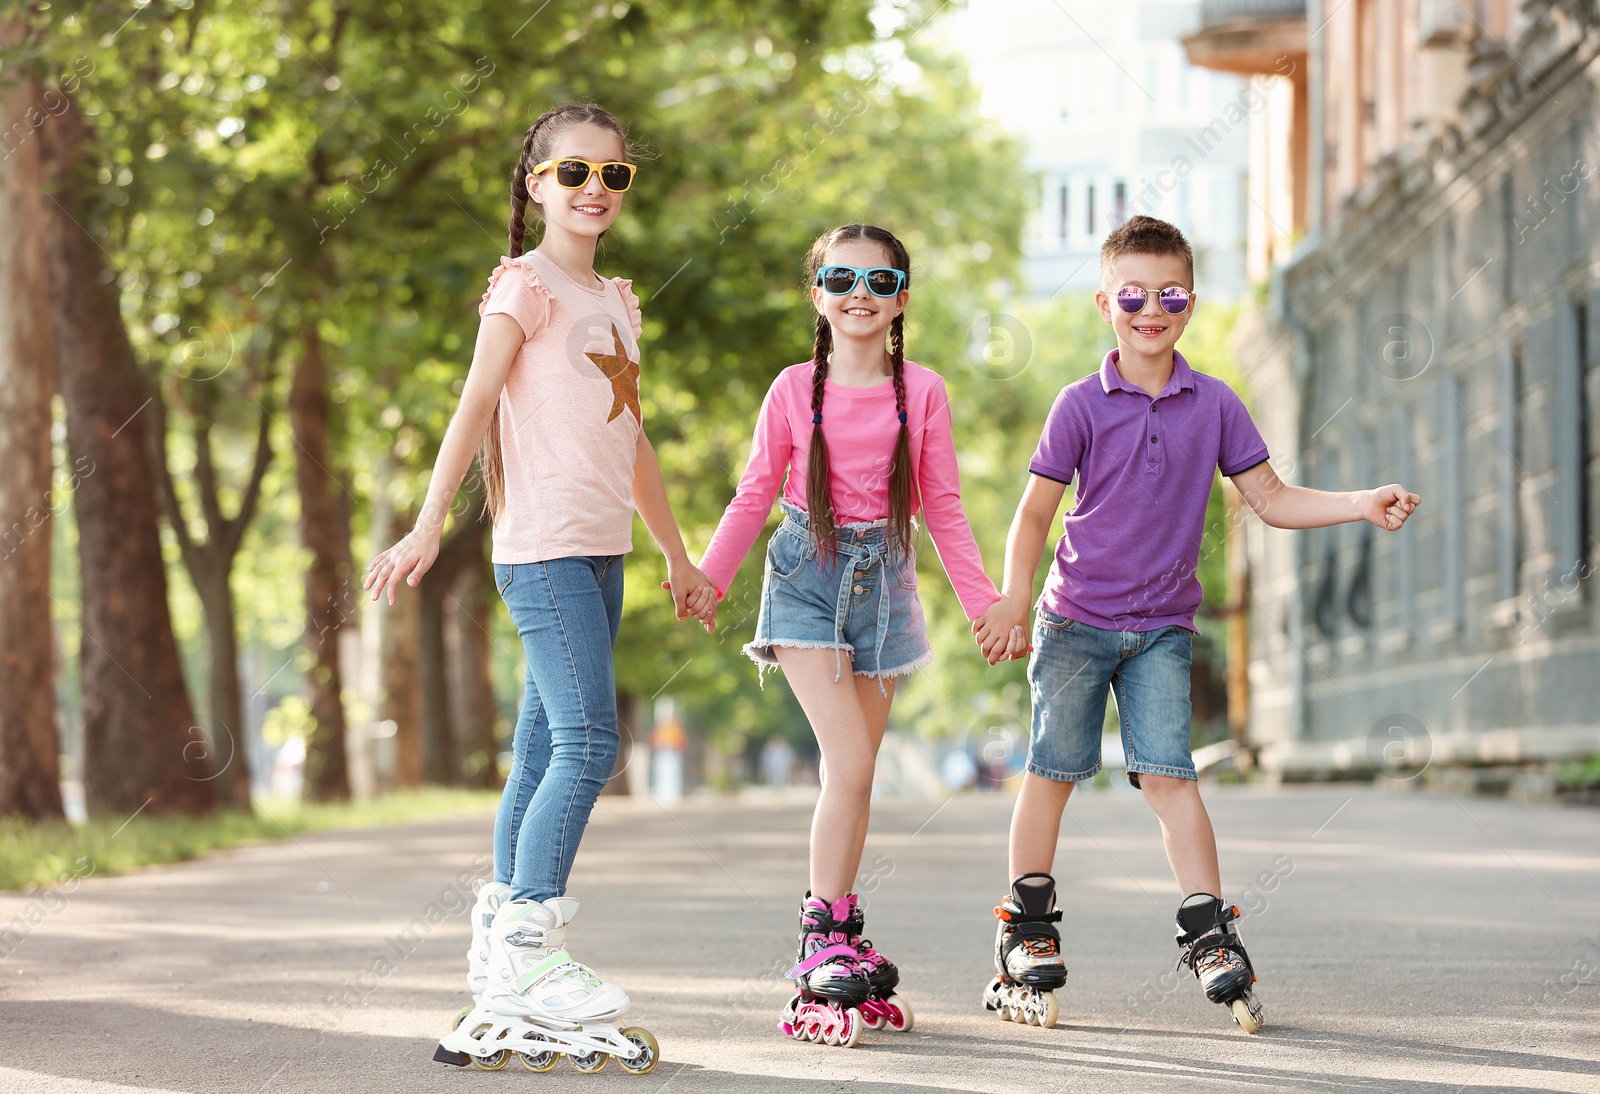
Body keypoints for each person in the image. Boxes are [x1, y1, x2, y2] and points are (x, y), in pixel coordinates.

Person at [975, 215, 1420, 1034]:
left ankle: (1209, 932)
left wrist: (1361, 502)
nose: (1153, 309)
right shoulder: (1079, 403)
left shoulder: (1214, 403)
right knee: (1054, 769)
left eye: (1170, 294)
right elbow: (1035, 513)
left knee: (1171, 776)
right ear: (1106, 301)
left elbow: (1273, 499)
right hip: (1074, 621)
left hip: (1162, 630)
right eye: (1135, 295)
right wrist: (1011, 595)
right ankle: (1027, 930)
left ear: (1190, 301)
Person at [362, 102, 714, 1074]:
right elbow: (475, 402)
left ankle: (496, 942)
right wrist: (430, 519)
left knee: (539, 743)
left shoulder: (617, 298)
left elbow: (631, 435)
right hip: (542, 546)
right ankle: (529, 944)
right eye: (573, 173)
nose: (594, 189)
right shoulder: (524, 286)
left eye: (612, 174)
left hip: (600, 549)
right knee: (592, 739)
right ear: (536, 184)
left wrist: (678, 555)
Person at [697, 223, 1018, 1047]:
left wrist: (986, 601)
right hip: (807, 576)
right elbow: (753, 493)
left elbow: (942, 506)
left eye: (880, 283)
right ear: (819, 296)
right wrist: (710, 575)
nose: (860, 295)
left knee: (859, 775)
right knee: (851, 762)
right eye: (842, 280)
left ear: (902, 298)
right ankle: (820, 940)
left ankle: (841, 924)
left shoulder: (926, 392)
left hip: (888, 587)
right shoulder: (792, 389)